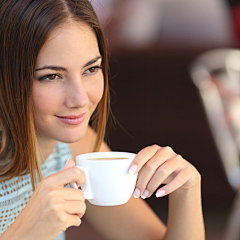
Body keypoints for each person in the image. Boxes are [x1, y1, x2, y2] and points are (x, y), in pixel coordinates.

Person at [0, 0, 205, 239]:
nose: (80, 98)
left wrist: (187, 189)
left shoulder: (76, 147)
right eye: (52, 76)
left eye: (91, 69)